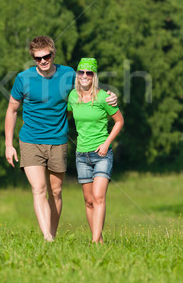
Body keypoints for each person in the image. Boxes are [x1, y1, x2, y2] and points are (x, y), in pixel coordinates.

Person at [4, 36, 117, 241]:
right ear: (33, 59)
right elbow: (12, 110)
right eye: (38, 58)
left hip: (58, 141)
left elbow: (89, 89)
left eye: (46, 56)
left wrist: (110, 96)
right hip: (30, 140)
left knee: (55, 192)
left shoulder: (68, 75)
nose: (43, 61)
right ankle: (48, 238)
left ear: (53, 53)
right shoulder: (23, 78)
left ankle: (53, 234)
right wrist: (8, 144)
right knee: (38, 189)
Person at [67, 58, 124, 244]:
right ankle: (98, 240)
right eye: (81, 72)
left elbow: (119, 121)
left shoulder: (103, 97)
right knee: (89, 201)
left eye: (88, 73)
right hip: (81, 155)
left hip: (101, 154)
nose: (84, 76)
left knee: (99, 197)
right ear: (77, 75)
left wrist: (107, 143)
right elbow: (62, 114)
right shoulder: (72, 97)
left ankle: (94, 242)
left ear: (94, 76)